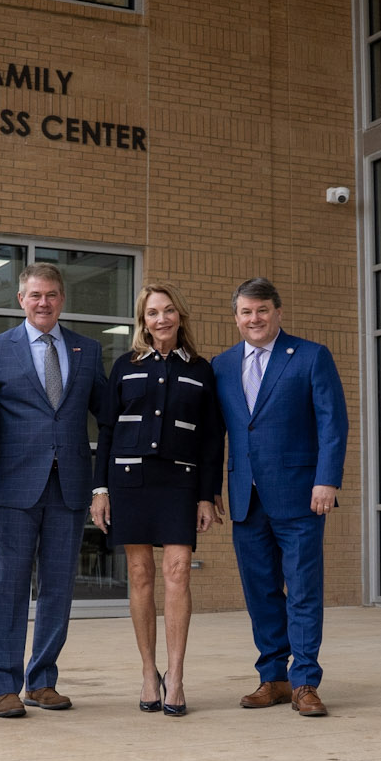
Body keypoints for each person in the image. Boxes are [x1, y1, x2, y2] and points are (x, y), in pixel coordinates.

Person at [0, 262, 109, 718]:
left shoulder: (86, 350)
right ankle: (5, 686)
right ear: (20, 300)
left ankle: (43, 680)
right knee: (9, 587)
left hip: (69, 485)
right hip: (14, 486)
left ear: (62, 299)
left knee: (58, 587)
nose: (43, 302)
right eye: (35, 295)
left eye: (51, 294)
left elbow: (106, 413)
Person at [212, 278, 348, 717]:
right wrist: (210, 490)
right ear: (236, 317)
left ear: (278, 312)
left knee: (303, 590)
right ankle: (273, 677)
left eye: (263, 310)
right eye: (247, 312)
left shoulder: (311, 356)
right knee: (261, 591)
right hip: (245, 497)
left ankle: (306, 681)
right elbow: (218, 436)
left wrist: (326, 481)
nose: (255, 318)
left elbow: (333, 424)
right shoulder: (222, 364)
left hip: (301, 496)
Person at [89, 282, 223, 716]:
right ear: (142, 321)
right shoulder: (125, 367)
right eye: (151, 313)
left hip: (180, 482)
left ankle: (177, 675)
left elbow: (210, 440)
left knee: (178, 572)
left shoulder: (202, 370)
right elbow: (106, 431)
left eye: (167, 311)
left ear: (180, 316)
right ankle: (149, 672)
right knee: (141, 573)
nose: (160, 319)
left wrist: (207, 496)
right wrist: (100, 489)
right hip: (129, 481)